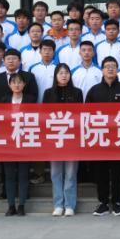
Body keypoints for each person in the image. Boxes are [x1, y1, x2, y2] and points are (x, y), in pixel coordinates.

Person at [85, 57, 120, 215]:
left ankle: (117, 202)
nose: (110, 69)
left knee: (118, 173)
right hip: (100, 138)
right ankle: (103, 203)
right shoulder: (94, 90)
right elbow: (86, 114)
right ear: (102, 70)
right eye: (107, 66)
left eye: (113, 66)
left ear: (117, 69)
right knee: (100, 173)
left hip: (119, 138)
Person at [43, 64, 82, 216]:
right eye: (60, 73)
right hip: (54, 138)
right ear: (55, 76)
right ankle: (58, 204)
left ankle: (70, 205)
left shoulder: (77, 92)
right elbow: (44, 115)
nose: (64, 75)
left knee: (71, 173)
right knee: (55, 173)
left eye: (66, 73)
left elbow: (80, 114)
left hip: (72, 137)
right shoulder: (48, 93)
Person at [0, 72, 37, 215]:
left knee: (23, 175)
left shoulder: (30, 100)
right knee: (9, 176)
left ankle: (21, 205)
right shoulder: (3, 100)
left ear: (24, 84)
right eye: (14, 82)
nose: (17, 85)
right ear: (9, 85)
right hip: (8, 143)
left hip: (25, 142)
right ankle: (11, 205)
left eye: (20, 82)